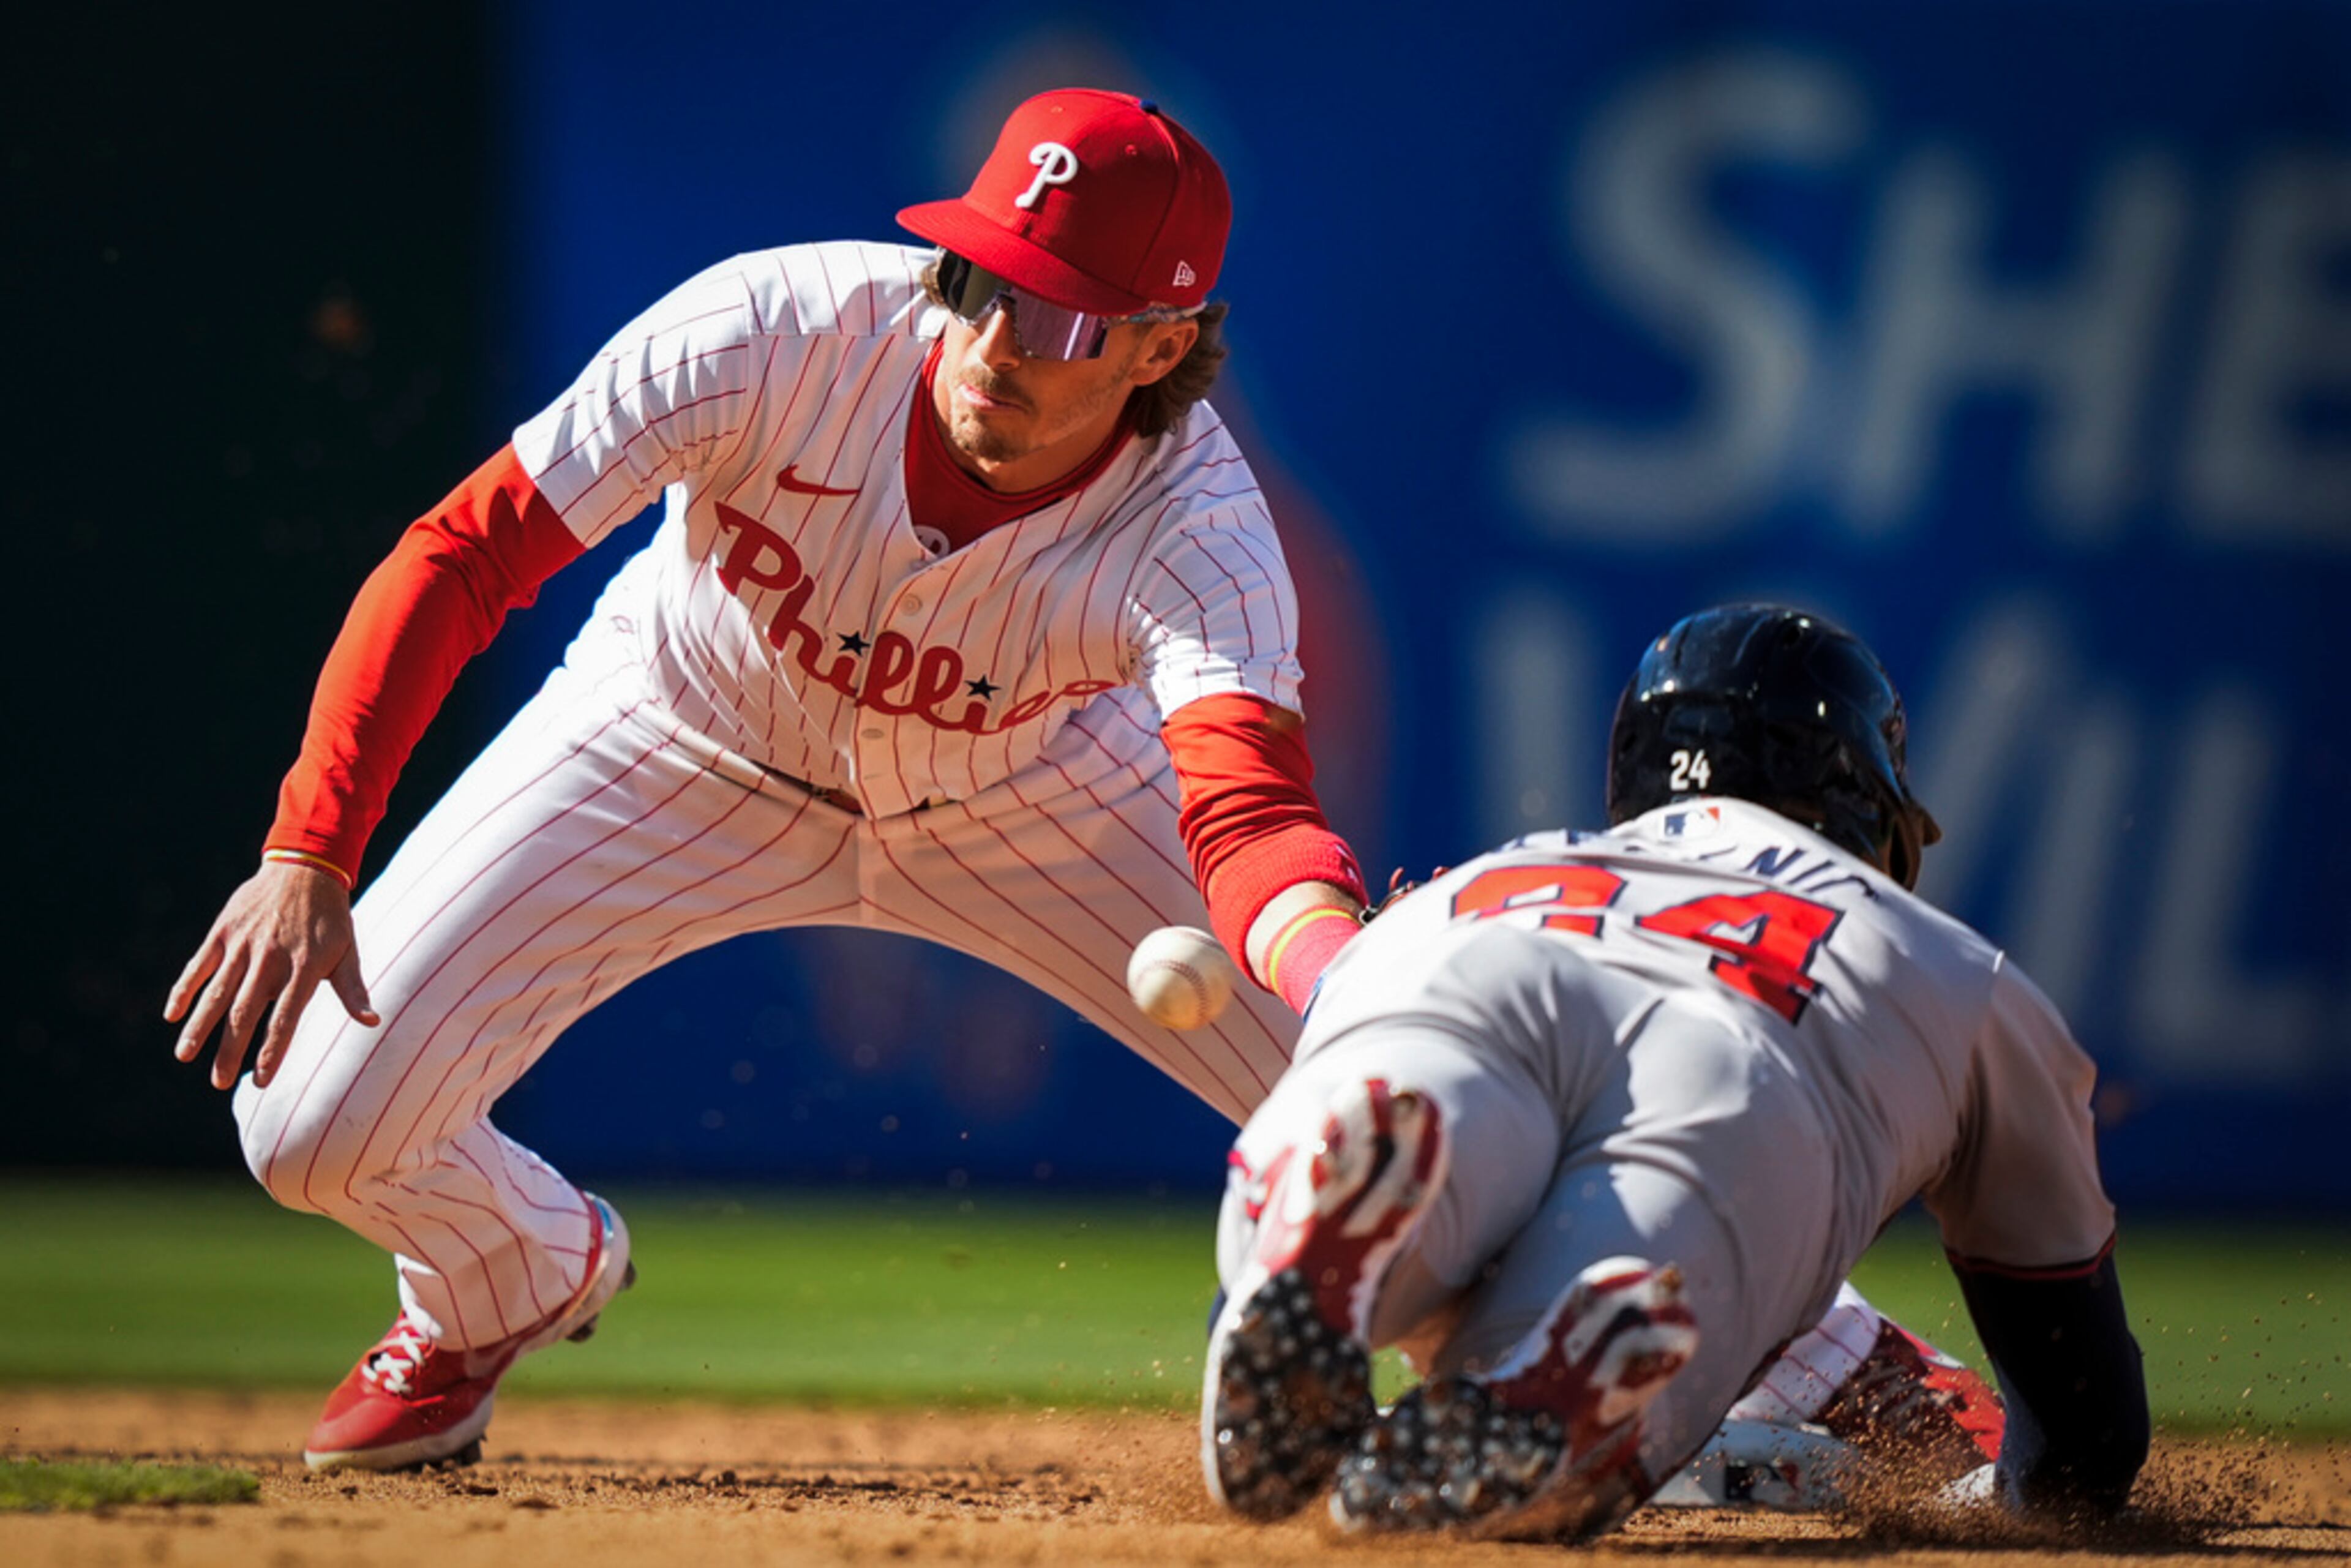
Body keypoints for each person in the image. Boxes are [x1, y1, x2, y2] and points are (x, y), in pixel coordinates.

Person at [162, 86, 2001, 1483]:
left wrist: (1348, 977)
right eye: (981, 280)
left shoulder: (1199, 531)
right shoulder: (775, 331)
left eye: (1056, 319)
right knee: (308, 1123)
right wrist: (310, 840)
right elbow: (466, 549)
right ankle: (504, 1279)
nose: (991, 343)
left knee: (1424, 1110)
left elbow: (1242, 809)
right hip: (676, 736)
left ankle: (1839, 1372)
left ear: (1159, 348)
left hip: (1032, 804)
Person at [1201, 604, 2148, 1540]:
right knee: (1556, 1357)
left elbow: (1340, 1012)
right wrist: (1991, 1503)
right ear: (1863, 788)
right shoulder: (1958, 974)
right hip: (1734, 1066)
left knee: (1353, 1168)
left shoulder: (1464, 883)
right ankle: (1551, 1393)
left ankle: (1314, 1230)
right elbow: (2084, 1436)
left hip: (1457, 965)